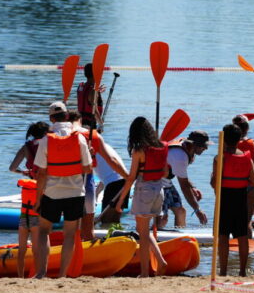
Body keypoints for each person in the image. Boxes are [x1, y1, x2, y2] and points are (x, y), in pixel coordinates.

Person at [32, 102, 93, 278]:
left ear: (51, 118)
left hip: (52, 193)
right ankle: (63, 275)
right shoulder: (80, 138)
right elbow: (88, 169)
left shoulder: (46, 140)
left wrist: (38, 199)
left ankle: (41, 272)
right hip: (75, 193)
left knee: (44, 231)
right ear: (67, 116)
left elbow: (41, 173)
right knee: (69, 235)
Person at [115, 117, 171, 277]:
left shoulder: (138, 151)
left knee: (143, 235)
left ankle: (145, 273)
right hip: (159, 190)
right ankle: (160, 261)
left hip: (144, 190)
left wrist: (120, 201)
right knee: (143, 231)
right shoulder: (163, 147)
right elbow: (166, 172)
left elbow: (131, 177)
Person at [211, 123, 254, 276]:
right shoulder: (247, 158)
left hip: (225, 198)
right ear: (239, 139)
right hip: (240, 198)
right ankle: (242, 271)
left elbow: (214, 183)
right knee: (242, 235)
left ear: (223, 139)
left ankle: (224, 271)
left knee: (223, 236)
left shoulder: (220, 158)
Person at [71, 111, 127, 240]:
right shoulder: (102, 145)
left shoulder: (93, 146)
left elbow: (112, 169)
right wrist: (95, 196)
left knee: (108, 221)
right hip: (118, 182)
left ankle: (116, 243)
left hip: (117, 183)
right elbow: (106, 175)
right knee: (111, 221)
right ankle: (116, 240)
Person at [165, 130, 211, 226]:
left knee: (181, 212)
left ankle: (179, 239)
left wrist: (192, 187)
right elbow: (184, 186)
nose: (206, 148)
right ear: (194, 145)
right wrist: (197, 210)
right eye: (203, 145)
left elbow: (182, 177)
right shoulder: (180, 156)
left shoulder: (186, 148)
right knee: (163, 219)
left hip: (165, 181)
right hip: (154, 183)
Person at [232, 115, 254, 225]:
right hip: (251, 185)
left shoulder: (228, 145)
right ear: (247, 129)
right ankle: (248, 241)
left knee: (233, 218)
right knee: (246, 221)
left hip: (233, 185)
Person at [16, 176, 42, 278]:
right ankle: (37, 275)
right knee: (36, 251)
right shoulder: (41, 186)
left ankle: (20, 276)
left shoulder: (24, 184)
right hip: (35, 219)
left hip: (23, 218)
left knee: (21, 251)